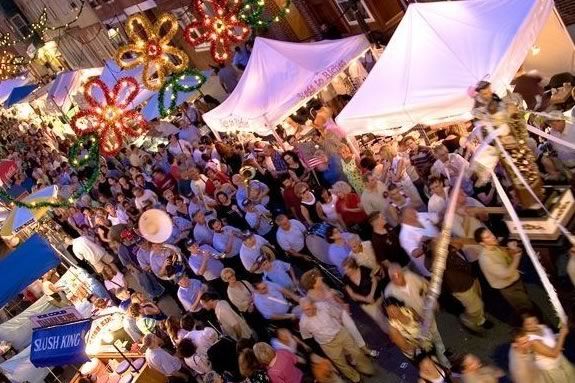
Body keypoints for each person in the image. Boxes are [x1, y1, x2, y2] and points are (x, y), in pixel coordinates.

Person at [299, 299, 374, 383]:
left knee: (357, 352)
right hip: (327, 344)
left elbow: (337, 314)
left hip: (340, 333)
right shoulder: (303, 322)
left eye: (308, 309)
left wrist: (338, 326)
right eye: (304, 310)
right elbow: (307, 336)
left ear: (313, 305)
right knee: (341, 363)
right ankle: (356, 378)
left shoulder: (324, 306)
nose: (306, 312)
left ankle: (367, 369)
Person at [474, 228, 534, 316]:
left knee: (527, 302)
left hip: (516, 280)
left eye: (491, 234)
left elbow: (507, 258)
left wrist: (512, 249)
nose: (493, 237)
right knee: (526, 310)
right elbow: (506, 274)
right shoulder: (486, 259)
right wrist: (517, 256)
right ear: (482, 243)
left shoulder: (495, 247)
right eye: (488, 237)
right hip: (509, 288)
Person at [522, 312, 575, 382]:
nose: (534, 325)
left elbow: (551, 338)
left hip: (561, 359)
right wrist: (562, 335)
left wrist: (559, 335)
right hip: (552, 368)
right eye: (528, 324)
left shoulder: (541, 326)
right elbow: (554, 354)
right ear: (522, 326)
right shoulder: (531, 340)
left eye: (534, 320)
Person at [342, 257, 388, 334]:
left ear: (353, 267)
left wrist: (371, 295)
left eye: (347, 269)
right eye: (344, 269)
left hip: (378, 297)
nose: (345, 271)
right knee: (380, 320)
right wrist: (366, 299)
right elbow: (352, 295)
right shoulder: (345, 279)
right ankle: (393, 336)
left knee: (388, 314)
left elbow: (374, 281)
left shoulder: (363, 269)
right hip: (366, 304)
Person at [399, 207, 439, 277]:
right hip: (433, 266)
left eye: (414, 210)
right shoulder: (404, 235)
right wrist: (426, 243)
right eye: (411, 213)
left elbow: (437, 217)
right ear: (404, 218)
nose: (415, 213)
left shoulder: (419, 215)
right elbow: (415, 253)